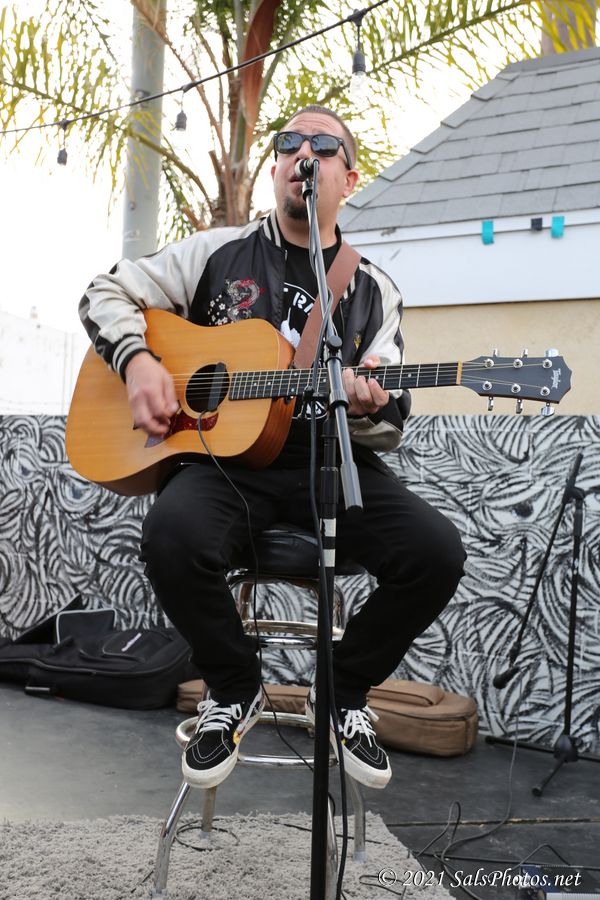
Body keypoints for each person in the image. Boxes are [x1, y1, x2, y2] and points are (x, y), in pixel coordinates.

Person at [79, 105, 466, 791]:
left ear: (348, 178)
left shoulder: (373, 288)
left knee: (436, 552)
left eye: (324, 145)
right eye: (290, 142)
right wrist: (137, 362)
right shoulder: (215, 252)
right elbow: (104, 291)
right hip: (225, 464)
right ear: (278, 167)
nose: (303, 153)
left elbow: (392, 421)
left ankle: (342, 691)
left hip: (330, 461)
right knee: (171, 534)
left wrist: (368, 401)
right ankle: (235, 688)